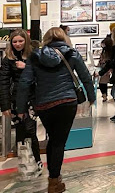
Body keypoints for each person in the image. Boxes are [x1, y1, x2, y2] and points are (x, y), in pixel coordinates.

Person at [17, 27, 95, 193]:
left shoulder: (35, 56)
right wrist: (91, 97)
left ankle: (54, 177)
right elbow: (85, 77)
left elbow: (24, 83)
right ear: (64, 38)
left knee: (53, 139)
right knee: (59, 142)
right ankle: (54, 181)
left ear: (46, 40)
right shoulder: (72, 54)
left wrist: (21, 108)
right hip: (67, 102)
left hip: (44, 105)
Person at [0, 29, 42, 178]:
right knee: (20, 131)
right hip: (16, 101)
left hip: (31, 99)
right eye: (15, 41)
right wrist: (5, 105)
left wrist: (27, 68)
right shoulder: (8, 59)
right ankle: (24, 163)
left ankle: (36, 161)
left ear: (26, 41)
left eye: (20, 41)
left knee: (30, 130)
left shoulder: (34, 56)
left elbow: (42, 75)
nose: (17, 44)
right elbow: (3, 83)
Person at [97, 36, 113, 102]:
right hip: (104, 68)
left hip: (108, 69)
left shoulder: (111, 52)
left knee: (103, 82)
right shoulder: (104, 51)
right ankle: (104, 95)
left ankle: (106, 95)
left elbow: (110, 61)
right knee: (102, 83)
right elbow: (101, 60)